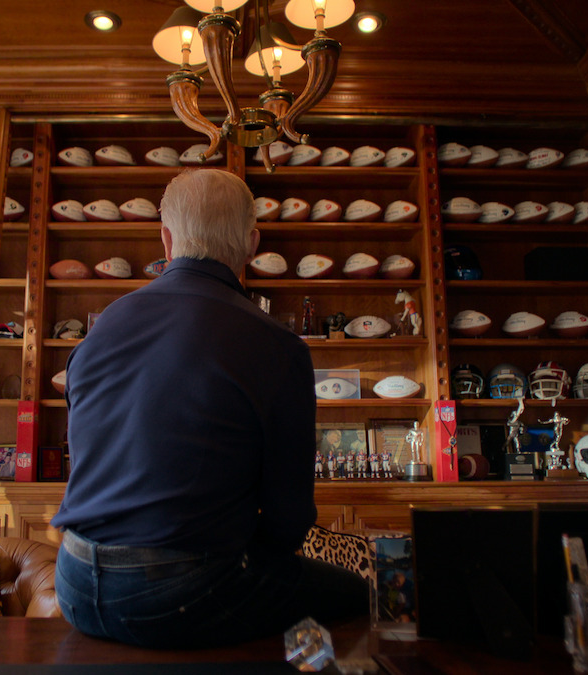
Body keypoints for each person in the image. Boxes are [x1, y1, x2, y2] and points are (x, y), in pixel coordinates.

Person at [51, 169, 367, 649]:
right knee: (363, 597)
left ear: (166, 238)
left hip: (73, 582)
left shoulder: (105, 325)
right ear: (252, 243)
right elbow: (289, 518)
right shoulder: (276, 345)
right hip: (181, 591)